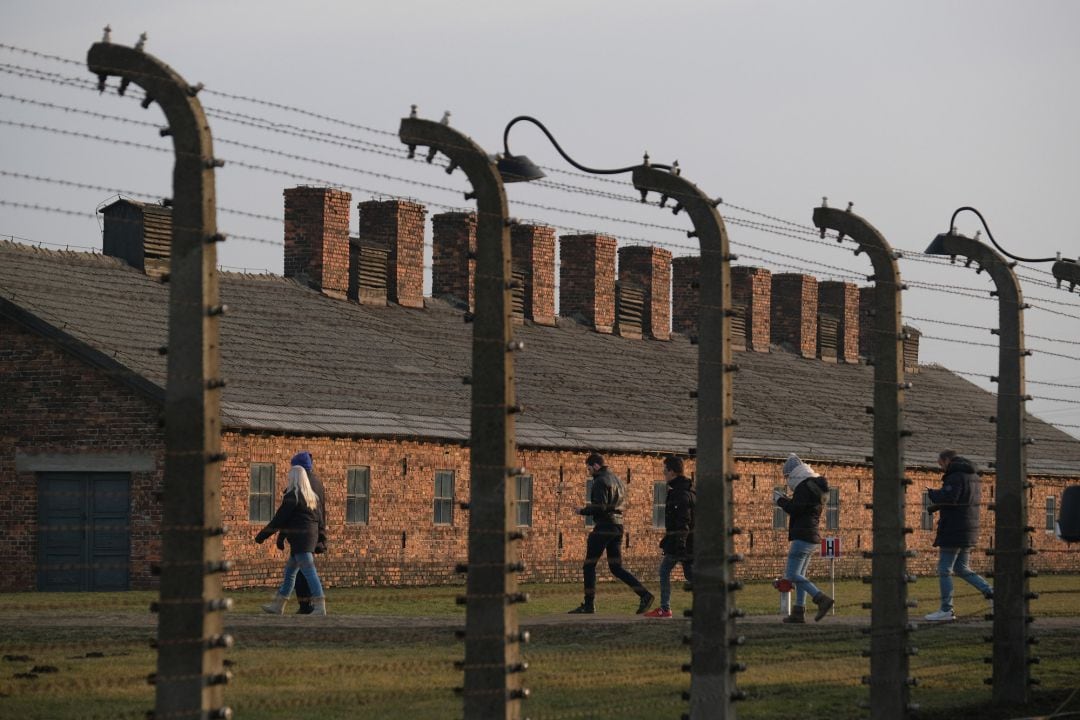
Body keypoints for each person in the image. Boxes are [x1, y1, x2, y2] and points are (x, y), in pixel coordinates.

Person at [568, 452, 655, 614]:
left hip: (603, 527)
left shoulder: (600, 481)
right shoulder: (618, 480)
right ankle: (645, 595)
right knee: (616, 568)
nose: (589, 473)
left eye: (589, 469)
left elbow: (600, 506)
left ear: (595, 466)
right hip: (618, 527)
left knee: (589, 566)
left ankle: (589, 605)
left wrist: (582, 510)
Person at [923, 449, 993, 622]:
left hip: (954, 528)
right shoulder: (973, 476)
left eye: (941, 464)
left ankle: (946, 609)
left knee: (944, 569)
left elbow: (950, 498)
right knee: (961, 568)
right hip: (968, 528)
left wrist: (933, 494)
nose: (941, 469)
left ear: (947, 460)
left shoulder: (955, 475)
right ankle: (992, 593)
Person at [255, 464, 327, 616]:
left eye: (289, 477)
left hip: (300, 541)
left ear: (293, 478)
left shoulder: (292, 495)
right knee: (290, 574)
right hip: (307, 540)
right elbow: (319, 521)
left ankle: (320, 607)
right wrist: (320, 539)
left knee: (309, 572)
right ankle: (278, 606)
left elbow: (279, 519)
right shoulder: (312, 497)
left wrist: (262, 536)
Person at [774, 453, 834, 623]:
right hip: (811, 536)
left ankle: (821, 599)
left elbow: (795, 509)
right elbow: (802, 507)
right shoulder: (814, 486)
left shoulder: (803, 486)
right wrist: (788, 501)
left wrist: (780, 501)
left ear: (793, 473)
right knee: (800, 574)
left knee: (792, 575)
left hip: (802, 535)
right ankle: (798, 611)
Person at [644, 455, 695, 619]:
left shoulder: (680, 494)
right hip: (691, 542)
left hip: (680, 541)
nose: (663, 473)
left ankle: (665, 609)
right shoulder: (690, 490)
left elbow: (683, 521)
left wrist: (680, 545)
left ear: (672, 472)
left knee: (664, 571)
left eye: (664, 470)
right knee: (690, 575)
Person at [282, 451, 327, 614]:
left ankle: (308, 605)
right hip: (313, 534)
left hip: (302, 536)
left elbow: (290, 514)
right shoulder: (318, 483)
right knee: (293, 572)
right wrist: (322, 535)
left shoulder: (300, 484)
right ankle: (280, 604)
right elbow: (322, 512)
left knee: (305, 572)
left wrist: (282, 534)